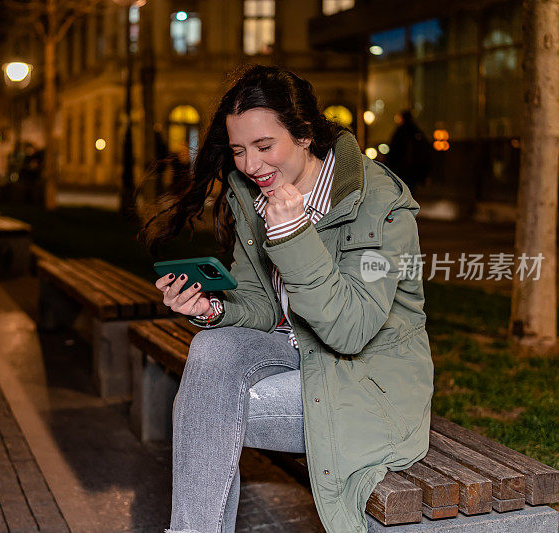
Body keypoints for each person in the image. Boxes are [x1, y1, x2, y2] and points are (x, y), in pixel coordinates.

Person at [142, 65, 433, 533]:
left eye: (264, 146)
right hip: (293, 352)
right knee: (212, 350)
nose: (251, 165)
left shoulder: (378, 203)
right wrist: (213, 309)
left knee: (208, 404)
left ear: (304, 135)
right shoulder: (253, 193)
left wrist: (294, 235)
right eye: (238, 150)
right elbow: (259, 303)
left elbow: (351, 329)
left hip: (365, 380)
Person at [385, 110, 431, 194]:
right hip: (413, 170)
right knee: (410, 190)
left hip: (402, 169)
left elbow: (393, 152)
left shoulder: (400, 132)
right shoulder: (416, 132)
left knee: (402, 190)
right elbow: (424, 152)